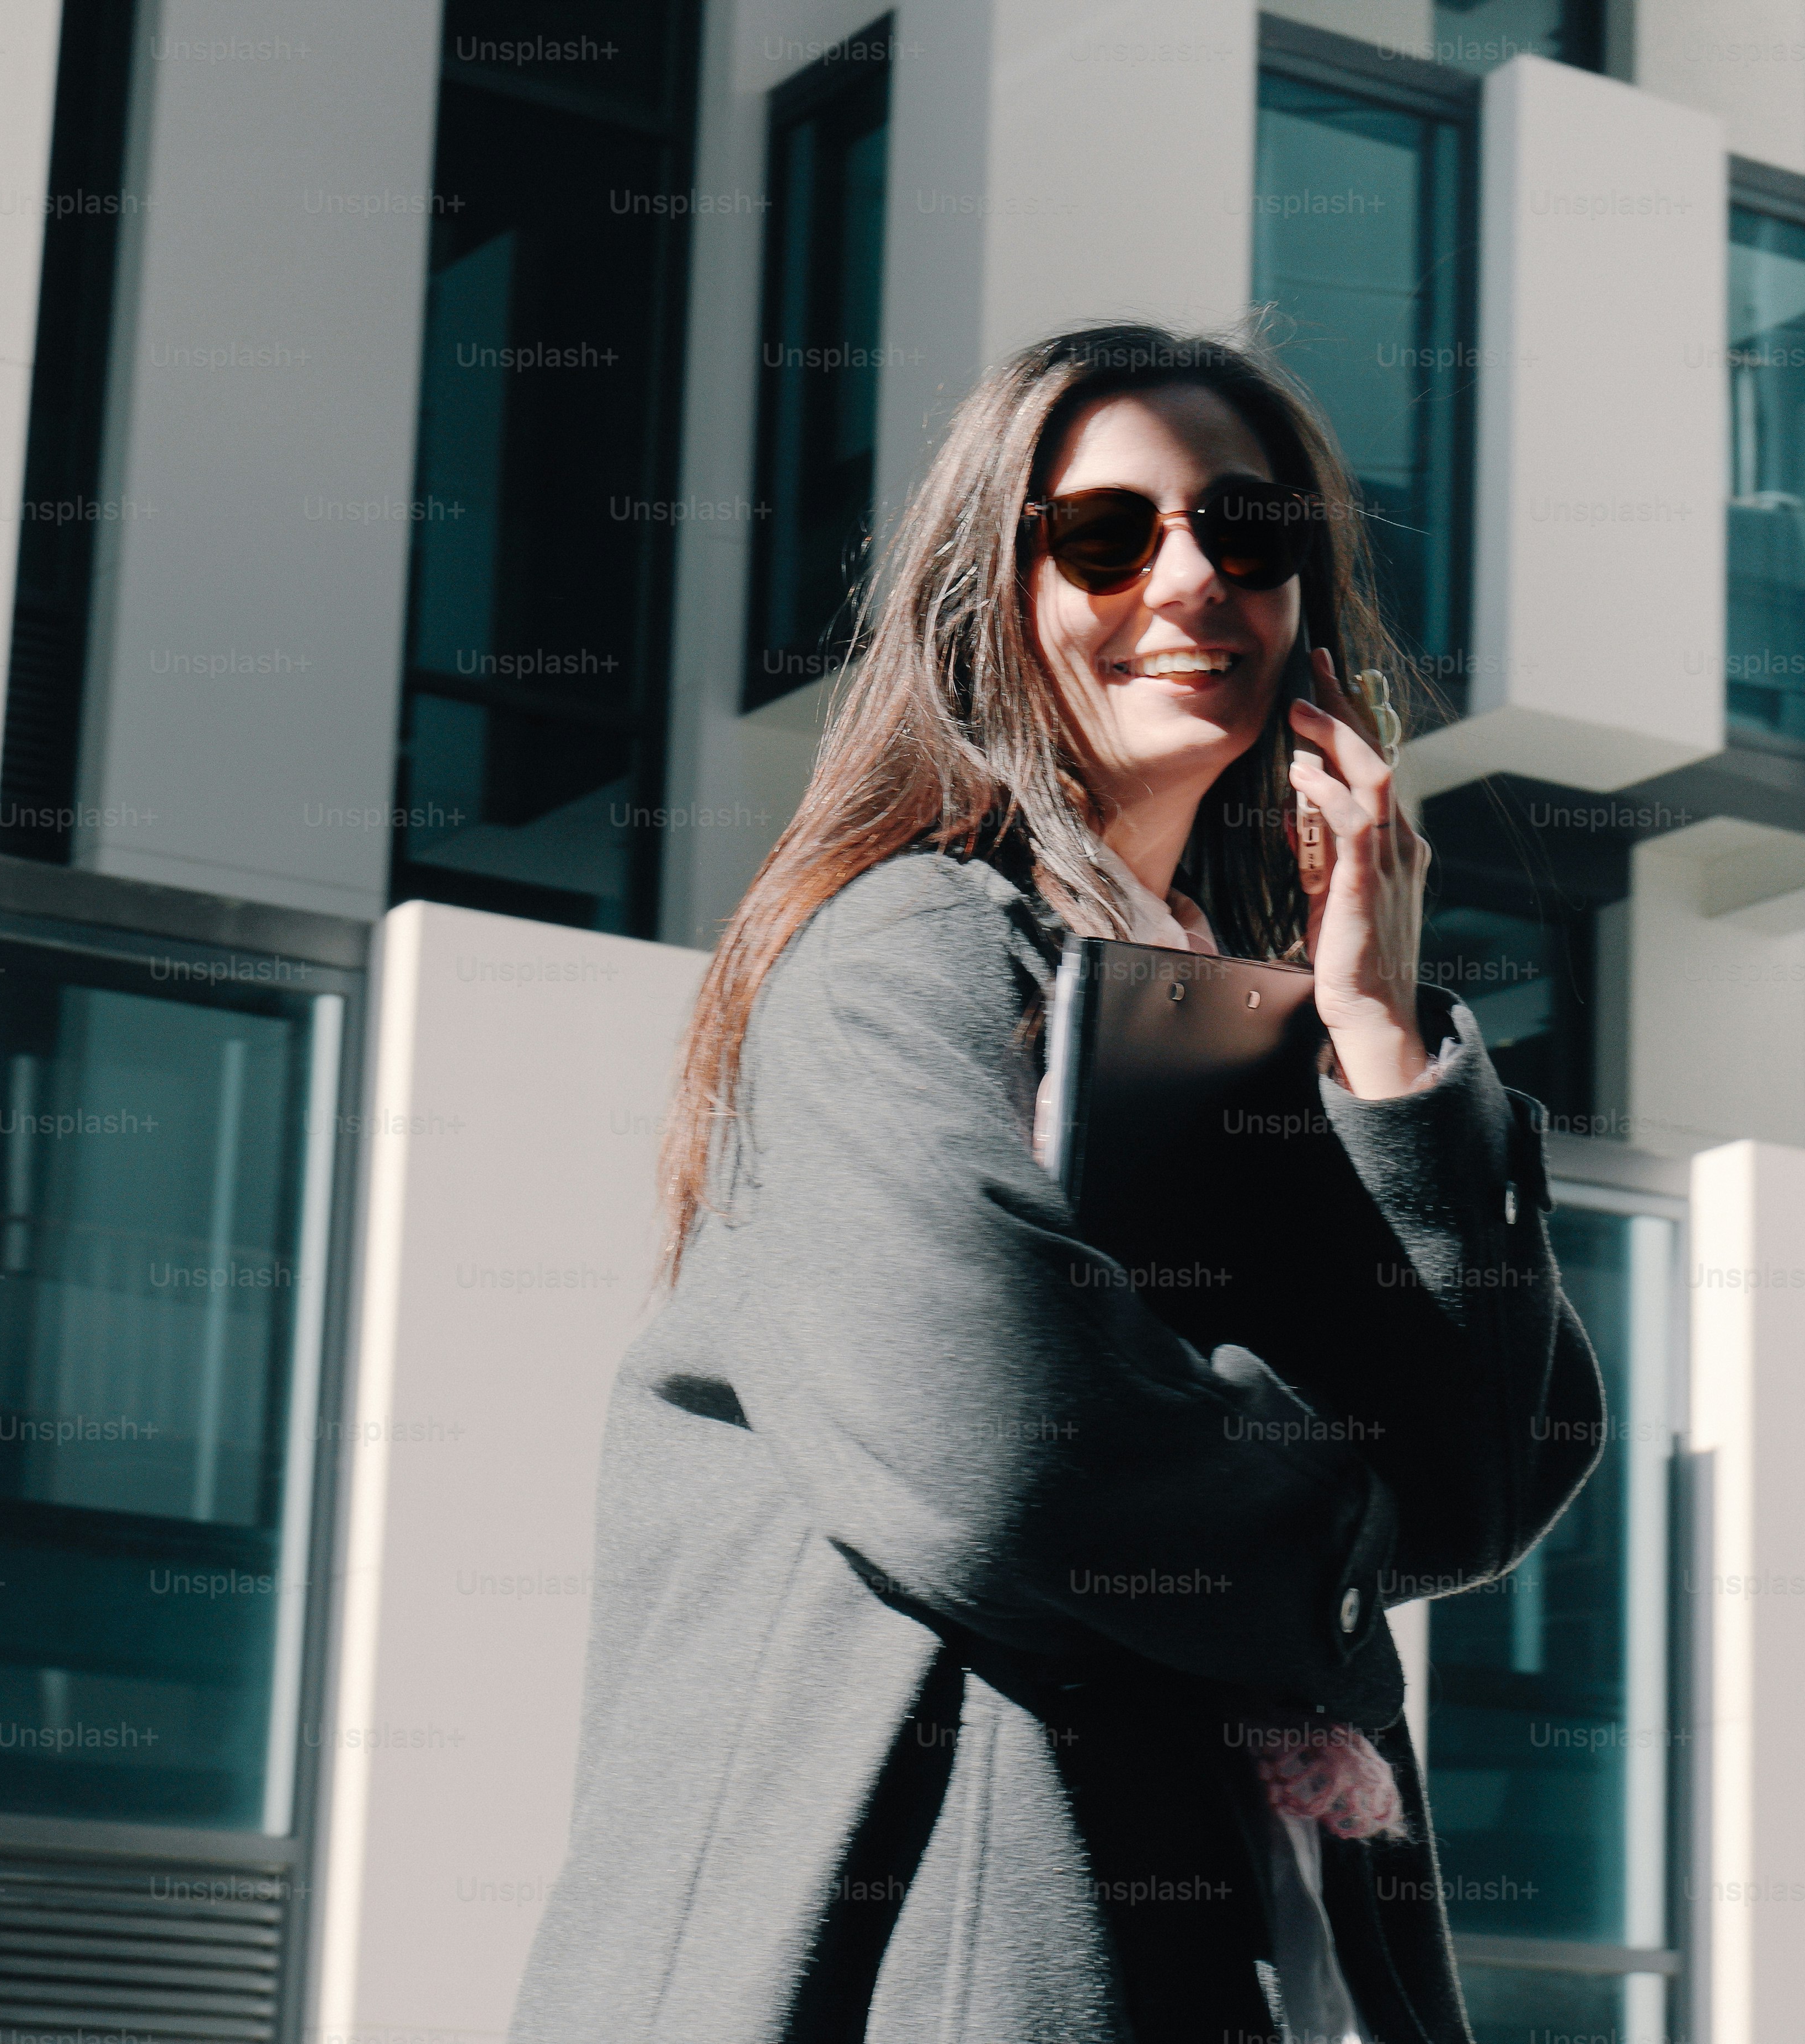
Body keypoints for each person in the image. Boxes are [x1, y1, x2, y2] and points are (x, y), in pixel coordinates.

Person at [506, 323, 1605, 2043]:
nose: (1192, 581)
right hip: (928, 1942)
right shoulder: (903, 955)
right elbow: (1017, 1447)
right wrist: (1340, 1521)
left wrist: (1385, 1033)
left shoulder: (1256, 1021)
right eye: (1106, 536)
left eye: (1251, 535)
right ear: (993, 599)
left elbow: (1482, 1470)